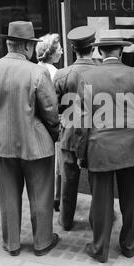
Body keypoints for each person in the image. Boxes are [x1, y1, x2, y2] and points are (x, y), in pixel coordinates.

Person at [0, 21, 60, 257]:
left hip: (2, 143)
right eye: (31, 45)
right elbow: (51, 111)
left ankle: (11, 243)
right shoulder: (38, 72)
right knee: (40, 194)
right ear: (25, 46)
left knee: (8, 196)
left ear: (9, 43)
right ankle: (42, 243)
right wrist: (55, 135)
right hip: (36, 144)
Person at [75, 35, 134, 263]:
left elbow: (81, 123)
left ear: (100, 53)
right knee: (131, 200)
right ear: (121, 52)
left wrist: (80, 153)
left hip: (99, 147)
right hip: (131, 146)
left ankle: (100, 249)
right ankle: (129, 246)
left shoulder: (87, 77)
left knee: (101, 201)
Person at [53, 26, 96, 231]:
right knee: (99, 184)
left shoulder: (62, 74)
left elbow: (53, 106)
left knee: (68, 183)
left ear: (73, 48)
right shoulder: (102, 73)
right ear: (93, 47)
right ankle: (99, 219)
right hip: (97, 134)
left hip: (69, 134)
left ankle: (66, 220)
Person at [36, 33, 63, 212]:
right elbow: (54, 104)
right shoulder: (54, 73)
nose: (61, 51)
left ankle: (49, 197)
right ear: (52, 53)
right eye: (59, 48)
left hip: (39, 124)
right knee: (57, 165)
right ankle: (57, 198)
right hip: (53, 123)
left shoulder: (36, 68)